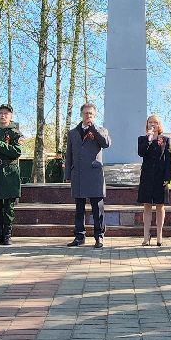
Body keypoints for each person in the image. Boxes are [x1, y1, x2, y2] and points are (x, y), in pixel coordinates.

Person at [65, 102, 111, 247]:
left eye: (90, 113)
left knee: (97, 208)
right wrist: (68, 174)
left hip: (94, 174)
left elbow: (105, 144)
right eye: (85, 113)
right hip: (78, 173)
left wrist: (93, 129)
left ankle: (99, 236)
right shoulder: (73, 132)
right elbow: (69, 154)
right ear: (81, 114)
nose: (88, 116)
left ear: (94, 115)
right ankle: (79, 236)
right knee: (79, 208)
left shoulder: (101, 130)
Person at [0, 104, 23, 245]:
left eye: (6, 114)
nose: (3, 116)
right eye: (1, 113)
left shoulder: (15, 133)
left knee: (8, 206)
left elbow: (17, 151)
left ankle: (7, 234)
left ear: (11, 116)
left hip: (9, 171)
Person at [136, 114, 171, 246]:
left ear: (159, 125)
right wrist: (148, 139)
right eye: (150, 122)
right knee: (147, 206)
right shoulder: (142, 139)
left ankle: (159, 236)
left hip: (160, 177)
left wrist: (167, 177)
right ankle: (146, 236)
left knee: (160, 206)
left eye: (155, 122)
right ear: (147, 124)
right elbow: (141, 153)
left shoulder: (165, 139)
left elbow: (168, 159)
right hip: (147, 176)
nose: (153, 124)